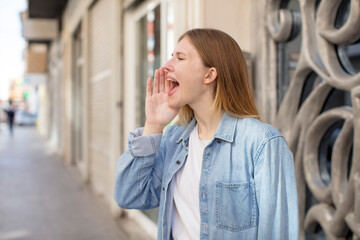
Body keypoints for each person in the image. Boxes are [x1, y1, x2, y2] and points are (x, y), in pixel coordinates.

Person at [114, 28, 298, 240]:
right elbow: (130, 196)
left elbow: (278, 233)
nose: (165, 67)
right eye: (171, 57)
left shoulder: (262, 143)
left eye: (180, 58)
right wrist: (153, 125)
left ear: (209, 74)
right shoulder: (175, 139)